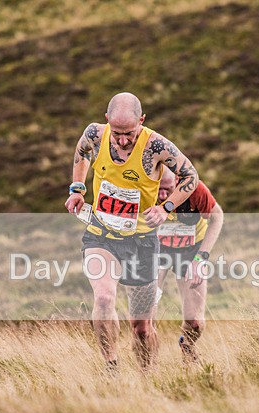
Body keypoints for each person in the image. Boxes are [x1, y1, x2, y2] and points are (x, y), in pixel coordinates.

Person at [65, 92, 200, 371]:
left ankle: (146, 376)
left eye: (130, 133)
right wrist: (77, 189)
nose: (123, 140)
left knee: (141, 327)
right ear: (106, 121)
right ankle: (111, 366)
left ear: (142, 120)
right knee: (103, 297)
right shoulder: (94, 133)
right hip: (101, 235)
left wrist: (165, 208)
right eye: (117, 133)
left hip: (142, 243)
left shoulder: (157, 146)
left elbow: (191, 177)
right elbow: (81, 153)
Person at [155, 168, 223, 362]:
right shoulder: (144, 187)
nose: (162, 195)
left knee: (195, 322)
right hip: (157, 248)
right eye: (158, 190)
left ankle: (187, 345)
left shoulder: (193, 188)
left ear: (176, 182)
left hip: (191, 250)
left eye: (167, 189)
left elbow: (217, 217)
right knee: (145, 316)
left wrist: (201, 258)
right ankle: (147, 368)